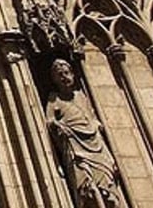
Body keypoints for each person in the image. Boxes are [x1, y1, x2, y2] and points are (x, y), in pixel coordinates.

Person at [44, 58, 127, 208]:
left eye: (66, 73)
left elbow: (92, 117)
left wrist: (96, 125)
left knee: (107, 185)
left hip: (95, 145)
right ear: (55, 80)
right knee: (87, 187)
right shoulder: (54, 99)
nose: (64, 77)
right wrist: (58, 125)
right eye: (59, 75)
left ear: (73, 74)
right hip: (75, 147)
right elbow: (50, 121)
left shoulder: (81, 96)